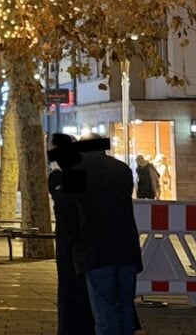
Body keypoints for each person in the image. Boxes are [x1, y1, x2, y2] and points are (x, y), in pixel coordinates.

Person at [65, 135, 143, 335]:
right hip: (126, 247)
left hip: (95, 250)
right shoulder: (122, 169)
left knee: (104, 311)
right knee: (125, 307)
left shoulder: (75, 172)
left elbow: (71, 214)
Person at [48, 134, 96, 335]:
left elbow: (69, 210)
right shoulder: (71, 174)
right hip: (78, 243)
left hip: (73, 244)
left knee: (72, 290)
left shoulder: (64, 176)